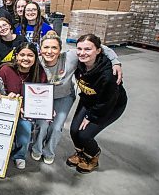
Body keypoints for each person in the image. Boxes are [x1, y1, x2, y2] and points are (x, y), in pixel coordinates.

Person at [32, 31, 122, 165]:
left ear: (60, 49)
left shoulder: (72, 57)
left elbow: (101, 47)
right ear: (40, 49)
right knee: (43, 124)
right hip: (43, 98)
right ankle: (37, 149)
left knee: (56, 127)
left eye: (54, 48)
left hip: (64, 97)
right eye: (46, 47)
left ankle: (49, 151)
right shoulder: (36, 62)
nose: (49, 51)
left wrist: (115, 62)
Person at [67, 34, 127, 173]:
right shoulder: (79, 62)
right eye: (79, 49)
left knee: (85, 135)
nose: (82, 53)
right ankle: (80, 154)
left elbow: (107, 101)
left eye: (88, 49)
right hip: (88, 98)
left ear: (99, 50)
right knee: (74, 130)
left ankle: (92, 157)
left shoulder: (109, 74)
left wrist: (90, 117)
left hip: (110, 105)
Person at [0, 42, 47, 169]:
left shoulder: (40, 72)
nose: (26, 58)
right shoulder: (5, 70)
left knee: (25, 135)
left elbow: (42, 97)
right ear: (16, 56)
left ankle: (19, 155)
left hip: (26, 112)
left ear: (36, 57)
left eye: (30, 55)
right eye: (22, 55)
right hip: (6, 109)